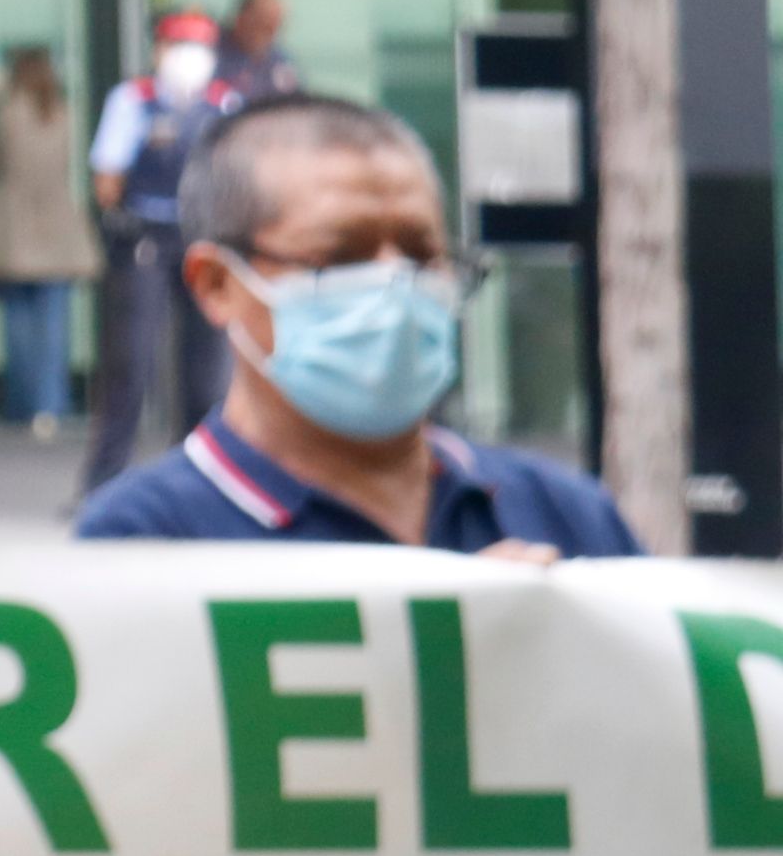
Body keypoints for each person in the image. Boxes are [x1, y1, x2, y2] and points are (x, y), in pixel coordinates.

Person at [78, 94, 637, 552]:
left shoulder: (566, 516)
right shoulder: (141, 542)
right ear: (217, 285)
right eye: (341, 256)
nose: (395, 285)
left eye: (422, 254)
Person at [81, 8, 227, 493]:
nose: (190, 59)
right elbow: (107, 179)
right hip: (146, 236)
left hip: (204, 238)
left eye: (199, 49)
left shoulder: (226, 105)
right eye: (180, 47)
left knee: (206, 367)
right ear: (159, 51)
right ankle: (103, 479)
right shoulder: (133, 100)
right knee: (131, 359)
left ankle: (199, 481)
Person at [0, 44, 99, 435]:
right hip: (57, 226)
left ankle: (24, 404)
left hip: (15, 227)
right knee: (53, 324)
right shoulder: (62, 112)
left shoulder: (6, 113)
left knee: (19, 325)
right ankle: (50, 404)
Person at [214, 0, 302, 108]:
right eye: (263, 25)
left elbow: (295, 106)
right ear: (241, 18)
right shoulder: (212, 51)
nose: (268, 36)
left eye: (275, 28)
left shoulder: (279, 64)